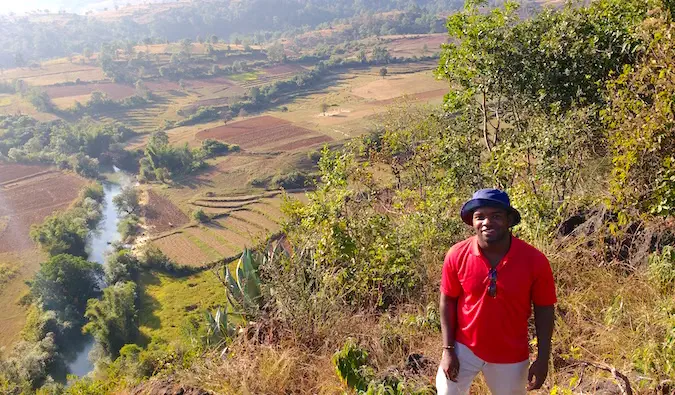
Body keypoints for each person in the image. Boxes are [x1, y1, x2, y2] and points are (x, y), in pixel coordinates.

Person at [437, 188, 556, 394]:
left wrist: (543, 358)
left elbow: (544, 309)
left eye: (496, 216)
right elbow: (447, 301)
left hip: (510, 354)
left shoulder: (534, 260)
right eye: (479, 217)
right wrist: (448, 350)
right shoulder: (457, 255)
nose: (486, 222)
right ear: (472, 222)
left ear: (509, 220)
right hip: (464, 347)